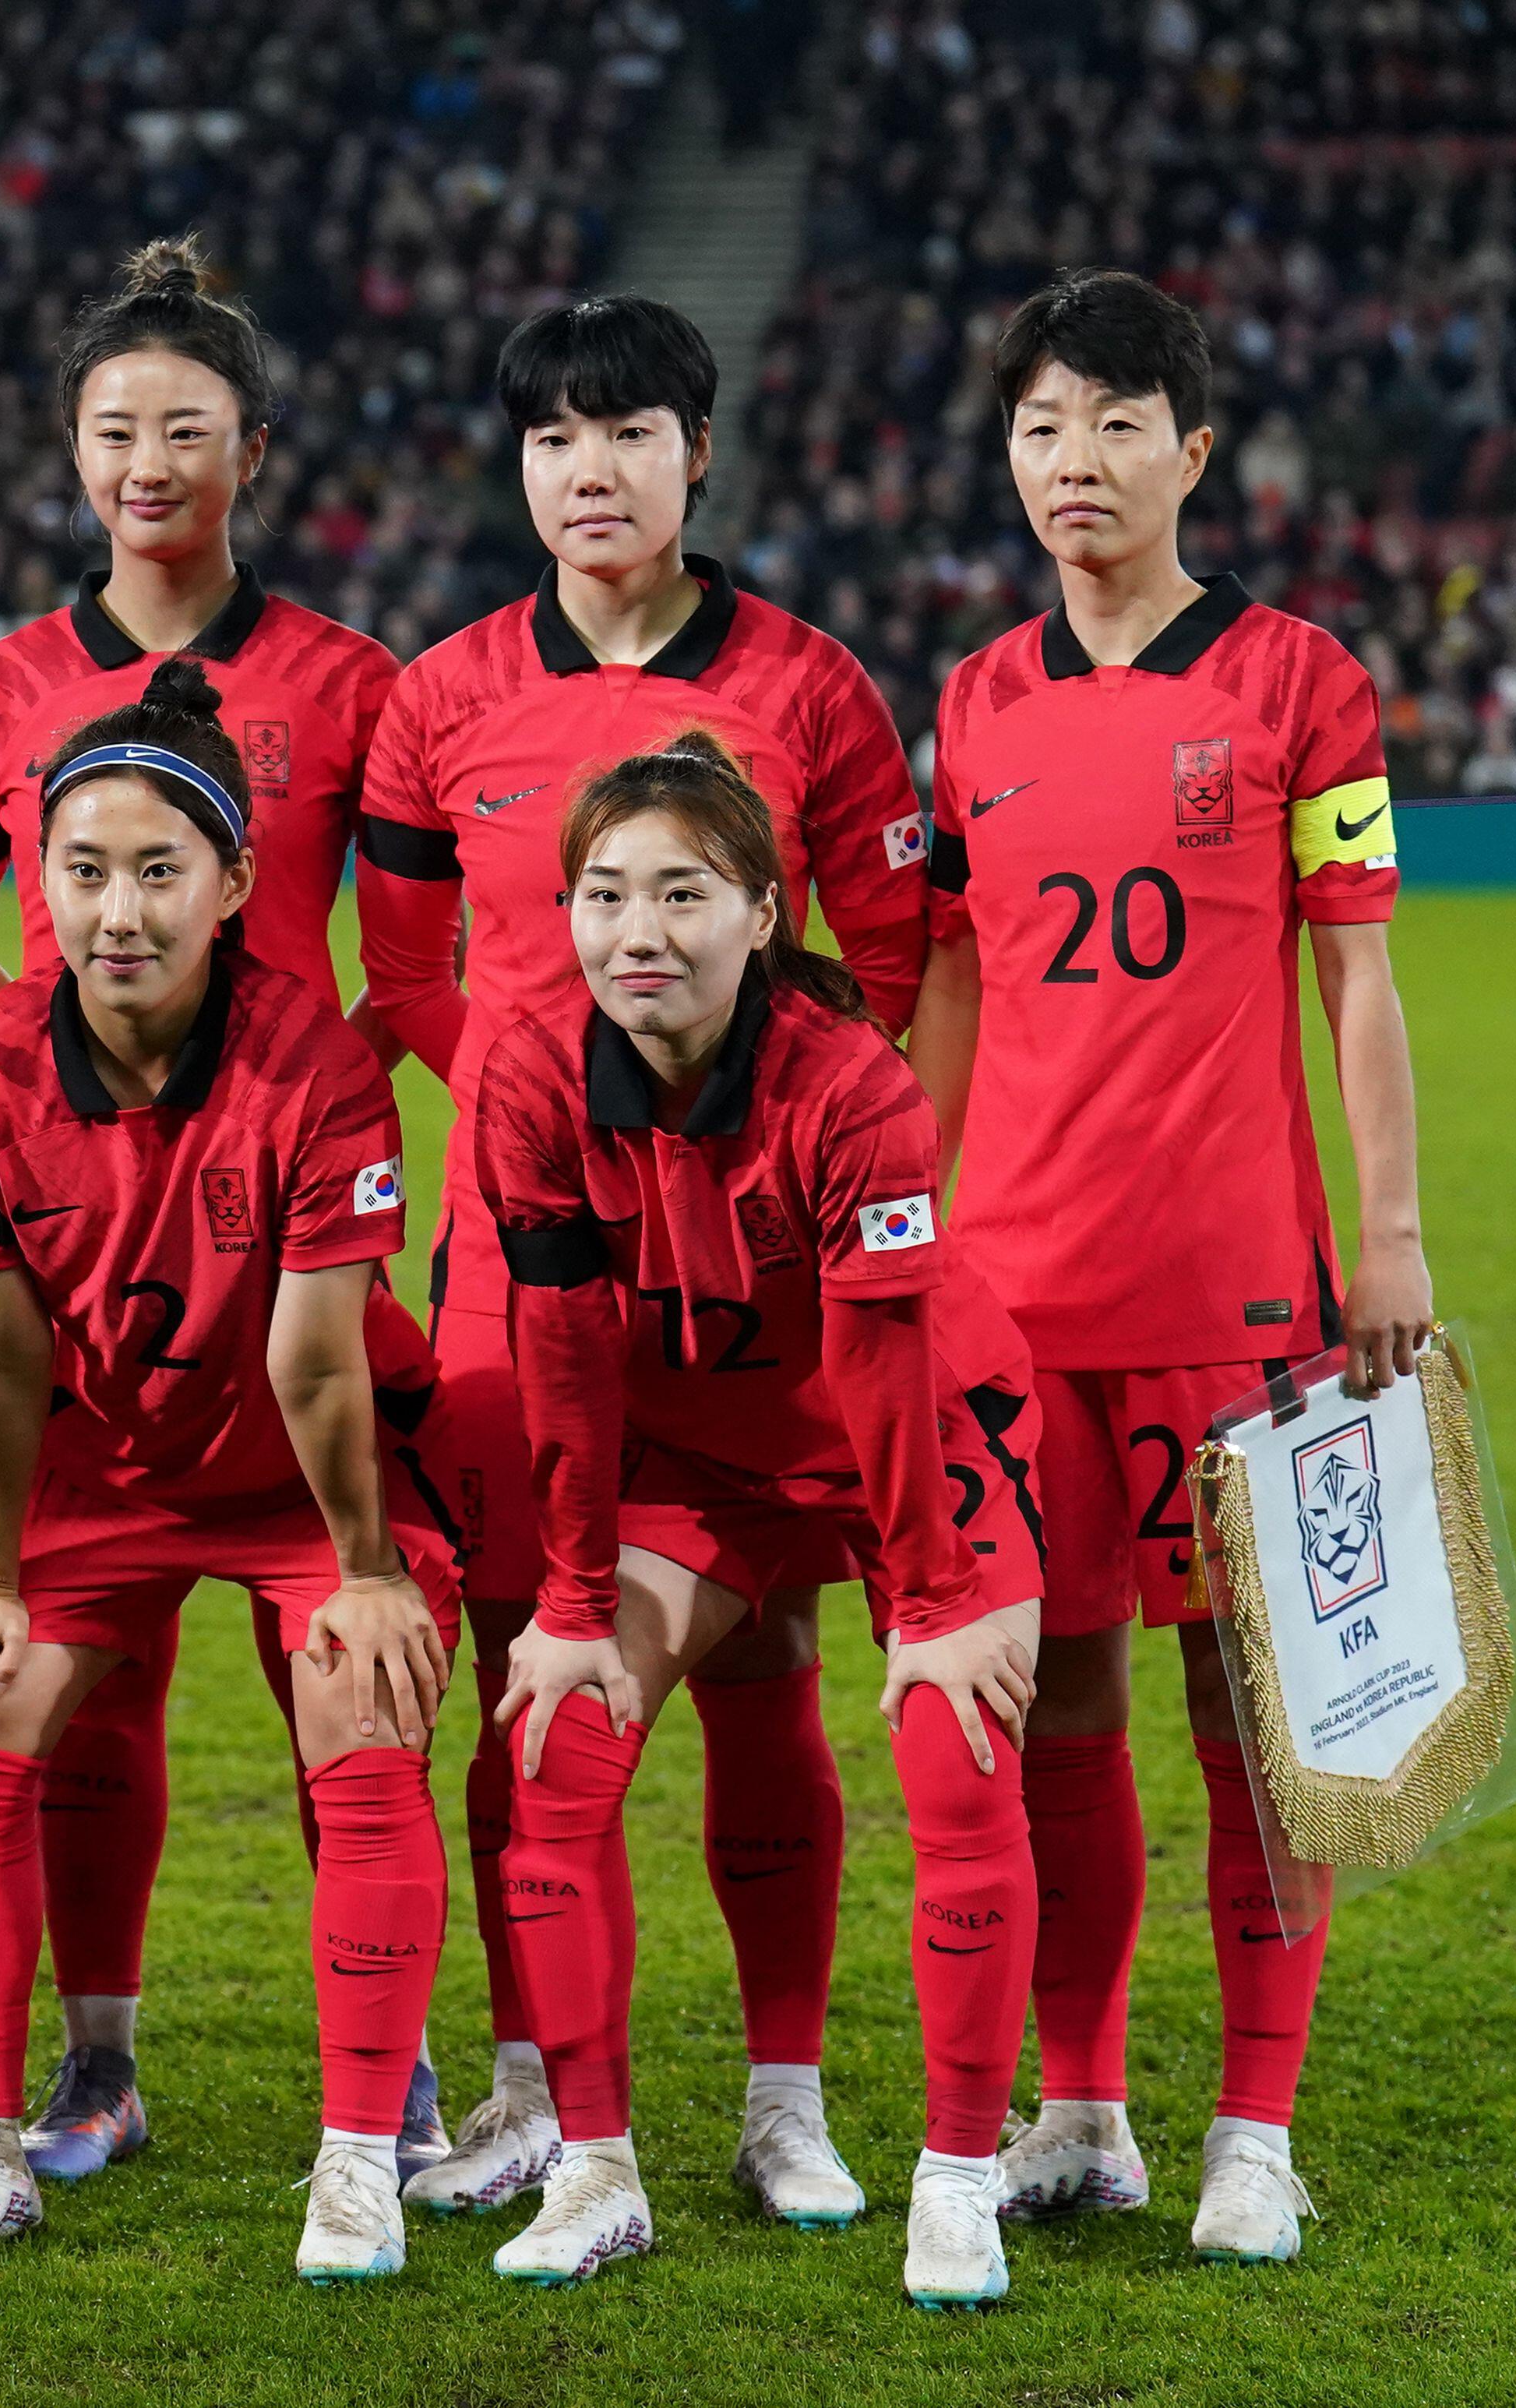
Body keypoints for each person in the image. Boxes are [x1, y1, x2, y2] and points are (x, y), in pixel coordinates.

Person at [356, 296, 933, 2220]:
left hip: (761, 1266)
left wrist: (798, 1168)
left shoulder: (812, 687)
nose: (586, 473)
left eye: (625, 436)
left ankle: (785, 2100)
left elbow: (897, 961)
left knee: (766, 1654)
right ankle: (532, 2087)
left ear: (699, 452)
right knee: (539, 1654)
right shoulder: (437, 697)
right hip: (525, 1275)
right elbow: (409, 977)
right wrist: (563, 1137)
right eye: (550, 442)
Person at [909, 270, 1429, 2267]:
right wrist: (925, 1243)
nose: (1074, 461)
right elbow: (948, 979)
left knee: (1254, 1716)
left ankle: (1251, 2126)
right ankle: (1081, 2104)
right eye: (1042, 425)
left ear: (1190, 452)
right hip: (1020, 1300)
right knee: (1056, 1706)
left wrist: (1381, 1234)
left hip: (1242, 1297)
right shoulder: (971, 701)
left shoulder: (1304, 682)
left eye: (1117, 422)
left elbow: (1355, 972)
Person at [0, 236, 415, 2190]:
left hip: (285, 1205)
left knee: (342, 1680)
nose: (145, 462)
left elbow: (428, 945)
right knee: (71, 1677)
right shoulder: (7, 686)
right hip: (97, 1238)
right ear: (69, 450)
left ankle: (393, 2070)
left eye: (182, 431)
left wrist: (295, 1097)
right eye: (112, 429)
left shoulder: (349, 685)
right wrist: (53, 1091)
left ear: (249, 454)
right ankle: (92, 2061)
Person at [0, 660, 457, 2283]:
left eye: (155, 870)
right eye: (79, 869)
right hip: (101, 1471)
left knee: (360, 1696)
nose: (114, 910)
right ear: (34, 880)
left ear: (232, 886)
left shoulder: (317, 1067)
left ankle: (360, 2153)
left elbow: (319, 1359)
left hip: (306, 1481)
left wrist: (361, 1568)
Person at [478, 734, 1047, 2309]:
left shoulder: (850, 1080)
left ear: (757, 910)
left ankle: (950, 2179)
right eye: (602, 894)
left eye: (679, 892)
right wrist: (575, 1593)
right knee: (560, 1739)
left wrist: (929, 1596)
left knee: (955, 1734)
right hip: (701, 1456)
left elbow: (881, 1353)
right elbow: (563, 1351)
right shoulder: (528, 1074)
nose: (635, 931)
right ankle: (594, 2171)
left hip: (910, 1430)